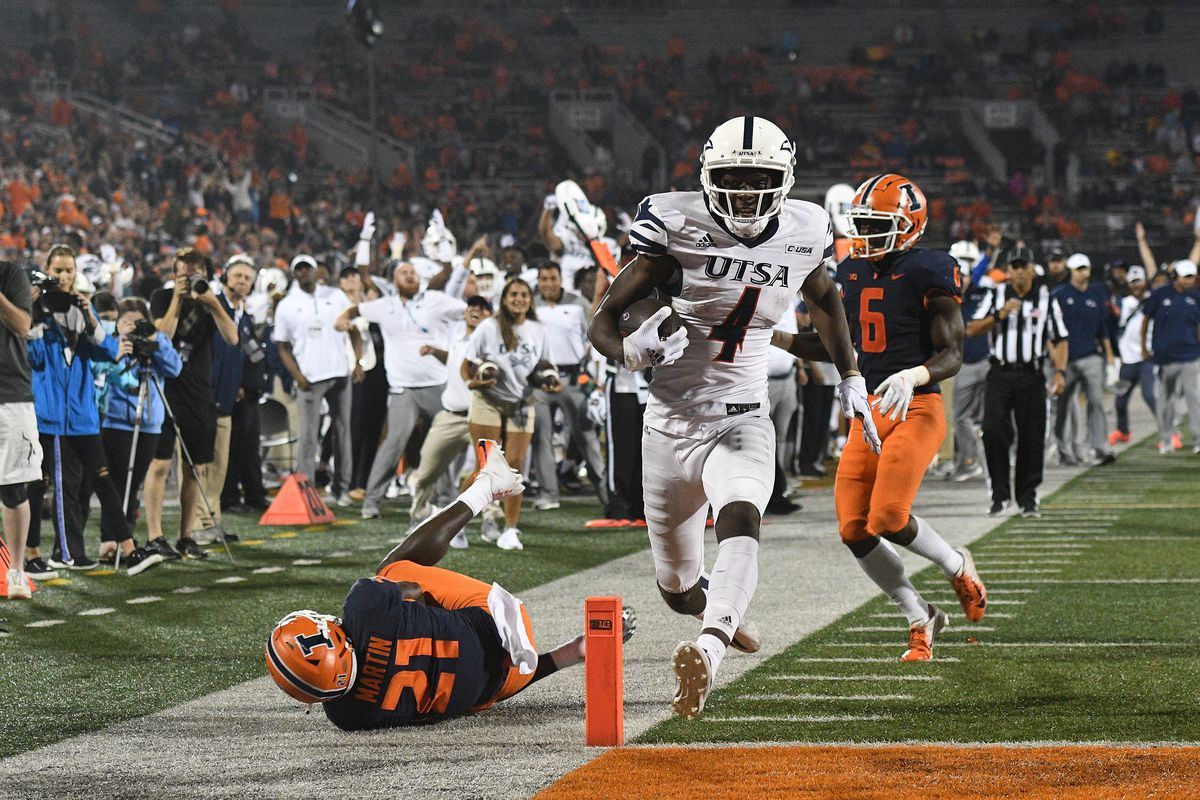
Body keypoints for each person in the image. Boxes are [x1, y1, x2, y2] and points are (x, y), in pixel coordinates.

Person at [588, 116, 878, 720]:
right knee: (675, 588)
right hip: (668, 424)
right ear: (707, 177)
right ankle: (715, 612)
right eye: (733, 178)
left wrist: (850, 375)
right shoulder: (675, 223)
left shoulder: (804, 227)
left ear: (785, 179)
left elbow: (825, 299)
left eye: (758, 178)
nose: (745, 192)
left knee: (742, 513)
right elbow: (602, 320)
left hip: (743, 415)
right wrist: (629, 350)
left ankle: (710, 647)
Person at [264, 440, 634, 729]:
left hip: (500, 684)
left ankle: (573, 652)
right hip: (497, 617)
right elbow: (415, 590)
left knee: (468, 687)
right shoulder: (364, 607)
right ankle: (487, 487)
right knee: (391, 571)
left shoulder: (349, 716)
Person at [777, 174, 987, 662]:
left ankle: (957, 565)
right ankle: (919, 615)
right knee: (854, 528)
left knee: (889, 516)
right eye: (863, 224)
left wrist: (913, 375)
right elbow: (836, 343)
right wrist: (779, 339)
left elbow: (953, 351)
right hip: (867, 409)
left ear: (909, 225)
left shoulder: (929, 270)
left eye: (877, 224)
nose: (866, 235)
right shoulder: (850, 271)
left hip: (917, 405)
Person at [29, 246, 162, 574]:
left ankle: (130, 551)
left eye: (69, 270)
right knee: (46, 487)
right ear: (46, 271)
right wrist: (33, 307)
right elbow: (33, 359)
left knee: (104, 481)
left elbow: (108, 352)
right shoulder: (38, 315)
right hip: (51, 418)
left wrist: (88, 316)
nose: (64, 277)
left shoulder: (79, 312)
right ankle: (45, 554)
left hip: (83, 416)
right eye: (57, 270)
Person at [335, 262, 466, 520]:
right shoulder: (386, 306)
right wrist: (343, 319)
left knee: (443, 444)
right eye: (403, 273)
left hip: (437, 385)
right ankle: (371, 500)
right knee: (393, 444)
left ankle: (447, 498)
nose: (410, 275)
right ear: (394, 281)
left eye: (413, 272)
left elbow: (468, 312)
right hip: (402, 389)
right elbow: (356, 309)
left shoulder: (436, 300)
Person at [146, 248, 239, 559]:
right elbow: (162, 336)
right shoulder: (162, 296)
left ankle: (186, 537)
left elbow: (232, 337)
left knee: (194, 467)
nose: (187, 279)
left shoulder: (213, 301)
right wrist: (177, 299)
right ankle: (155, 535)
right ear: (174, 274)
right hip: (167, 389)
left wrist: (212, 302)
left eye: (193, 273)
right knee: (159, 464)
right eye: (181, 273)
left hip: (200, 392)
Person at [966, 246, 1069, 518]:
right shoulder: (996, 294)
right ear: (1008, 270)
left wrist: (1060, 372)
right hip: (1000, 373)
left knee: (1032, 437)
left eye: (1024, 266)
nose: (1019, 272)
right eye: (1014, 266)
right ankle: (1000, 496)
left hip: (1032, 374)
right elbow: (972, 329)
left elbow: (1059, 338)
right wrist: (999, 314)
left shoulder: (1046, 298)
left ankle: (1028, 498)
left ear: (1032, 269)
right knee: (992, 430)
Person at [462, 278, 561, 550]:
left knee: (514, 467)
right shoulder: (488, 327)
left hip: (521, 402)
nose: (519, 299)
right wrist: (474, 382)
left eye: (524, 294)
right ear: (504, 299)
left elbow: (545, 364)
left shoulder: (537, 330)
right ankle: (453, 522)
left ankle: (510, 530)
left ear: (530, 300)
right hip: (488, 401)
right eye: (514, 294)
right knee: (488, 468)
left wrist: (550, 380)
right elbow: (466, 365)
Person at [98, 298, 182, 563]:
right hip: (117, 421)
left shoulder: (157, 340)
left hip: (149, 424)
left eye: (137, 322)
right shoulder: (110, 342)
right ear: (117, 323)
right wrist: (119, 350)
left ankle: (128, 540)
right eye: (126, 322)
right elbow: (105, 373)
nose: (132, 327)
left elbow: (175, 369)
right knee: (117, 483)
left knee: (134, 484)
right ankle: (110, 540)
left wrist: (153, 343)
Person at [274, 254, 361, 506]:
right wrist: (297, 376)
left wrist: (357, 361)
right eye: (298, 269)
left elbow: (354, 329)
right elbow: (282, 347)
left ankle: (341, 488)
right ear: (294, 274)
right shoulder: (287, 305)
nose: (303, 273)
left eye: (307, 268)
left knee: (343, 432)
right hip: (309, 378)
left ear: (315, 270)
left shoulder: (336, 296)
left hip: (340, 372)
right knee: (308, 436)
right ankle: (305, 491)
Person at [408, 295, 493, 542]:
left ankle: (490, 520)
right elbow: (455, 362)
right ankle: (418, 515)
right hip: (451, 414)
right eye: (472, 306)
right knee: (426, 471)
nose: (475, 310)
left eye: (482, 307)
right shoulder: (459, 339)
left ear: (490, 315)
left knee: (488, 473)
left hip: (481, 415)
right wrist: (435, 351)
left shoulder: (491, 342)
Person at [193, 254, 259, 542]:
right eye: (238, 275)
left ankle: (212, 521)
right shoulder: (212, 306)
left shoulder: (243, 316)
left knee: (220, 465)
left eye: (248, 278)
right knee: (200, 464)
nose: (242, 281)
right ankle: (196, 523)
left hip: (227, 399)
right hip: (204, 396)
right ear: (225, 277)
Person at [531, 261, 608, 510]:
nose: (549, 284)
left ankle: (607, 494)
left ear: (559, 279)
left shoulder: (577, 303)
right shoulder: (531, 304)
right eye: (544, 279)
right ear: (539, 281)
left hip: (572, 379)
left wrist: (594, 376)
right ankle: (548, 493)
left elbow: (593, 332)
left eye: (552, 278)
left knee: (586, 438)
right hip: (540, 381)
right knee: (541, 438)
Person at [0, 260, 43, 598]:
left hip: (9, 396)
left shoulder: (10, 274)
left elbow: (22, 325)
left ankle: (16, 570)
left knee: (14, 488)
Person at [1052, 253, 1116, 466]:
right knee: (1062, 406)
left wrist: (1109, 354)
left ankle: (1099, 447)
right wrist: (1054, 359)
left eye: (1085, 268)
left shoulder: (1096, 296)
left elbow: (1103, 329)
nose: (1082, 272)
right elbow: (1050, 329)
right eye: (1078, 269)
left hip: (1091, 356)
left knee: (1097, 402)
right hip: (1065, 360)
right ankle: (1064, 451)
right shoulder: (1059, 295)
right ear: (1071, 270)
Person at [1141, 260, 1200, 454]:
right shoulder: (1160, 294)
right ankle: (1166, 438)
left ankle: (1198, 437)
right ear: (1176, 276)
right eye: (1187, 276)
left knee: (1195, 398)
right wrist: (1144, 346)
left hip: (1190, 355)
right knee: (1165, 399)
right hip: (1165, 357)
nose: (1191, 280)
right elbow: (1145, 319)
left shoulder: (1196, 296)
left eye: (1192, 276)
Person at [948, 240, 988, 481]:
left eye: (966, 276)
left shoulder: (982, 294)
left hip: (986, 362)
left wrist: (990, 254)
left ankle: (987, 461)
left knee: (992, 417)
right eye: (959, 276)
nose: (962, 280)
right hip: (962, 365)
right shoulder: (947, 300)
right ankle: (969, 461)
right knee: (961, 417)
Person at [1110, 265, 1157, 445]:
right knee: (1120, 401)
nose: (1136, 285)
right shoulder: (1123, 302)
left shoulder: (1153, 300)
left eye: (1139, 281)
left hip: (1147, 358)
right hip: (1128, 360)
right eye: (1133, 282)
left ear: (1145, 281)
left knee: (1149, 395)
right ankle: (1123, 431)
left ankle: (1169, 432)